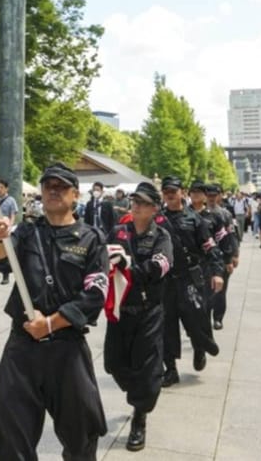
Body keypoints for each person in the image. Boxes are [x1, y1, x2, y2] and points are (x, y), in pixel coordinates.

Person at [0, 163, 109, 460]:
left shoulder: (91, 238)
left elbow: (95, 295)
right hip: (22, 346)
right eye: (48, 186)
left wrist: (52, 323)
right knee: (8, 431)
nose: (53, 191)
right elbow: (2, 258)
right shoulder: (27, 232)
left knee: (82, 434)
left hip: (66, 347)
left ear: (75, 194)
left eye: (61, 187)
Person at [103, 181, 172, 452]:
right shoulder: (118, 231)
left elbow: (160, 267)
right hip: (120, 311)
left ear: (154, 208)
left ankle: (139, 418)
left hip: (148, 312)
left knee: (145, 368)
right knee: (113, 364)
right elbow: (101, 256)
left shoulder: (162, 237)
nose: (137, 206)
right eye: (135, 201)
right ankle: (140, 394)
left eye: (143, 202)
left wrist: (129, 266)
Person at [159, 177, 223, 386]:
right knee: (166, 325)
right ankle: (170, 369)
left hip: (189, 279)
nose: (169, 194)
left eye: (173, 190)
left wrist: (217, 272)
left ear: (181, 192)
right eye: (166, 190)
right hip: (165, 281)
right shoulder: (157, 220)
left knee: (195, 319)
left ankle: (200, 347)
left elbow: (210, 246)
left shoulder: (195, 219)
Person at [204, 183, 239, 331]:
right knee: (205, 290)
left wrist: (233, 256)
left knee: (220, 291)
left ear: (219, 196)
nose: (211, 198)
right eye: (209, 195)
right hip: (205, 257)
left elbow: (232, 236)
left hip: (222, 256)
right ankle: (204, 318)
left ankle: (218, 318)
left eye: (214, 195)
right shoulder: (200, 213)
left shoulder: (225, 214)